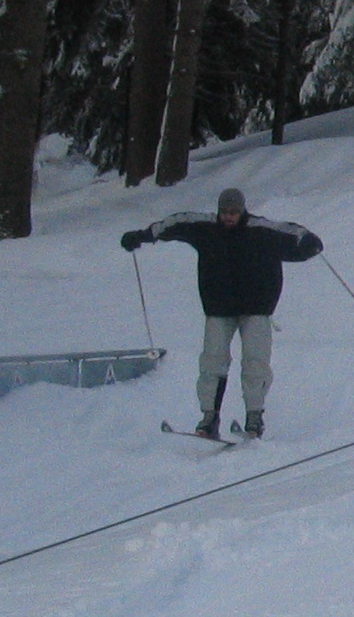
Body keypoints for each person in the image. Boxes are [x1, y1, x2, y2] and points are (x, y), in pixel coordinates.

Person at [121, 187, 323, 438]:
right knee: (212, 362)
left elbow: (291, 232)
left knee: (255, 362)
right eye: (224, 212)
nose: (228, 217)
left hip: (256, 308)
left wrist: (308, 243)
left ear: (242, 211)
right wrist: (142, 236)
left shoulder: (260, 231)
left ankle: (254, 418)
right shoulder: (205, 229)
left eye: (234, 212)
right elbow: (175, 223)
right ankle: (209, 417)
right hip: (218, 308)